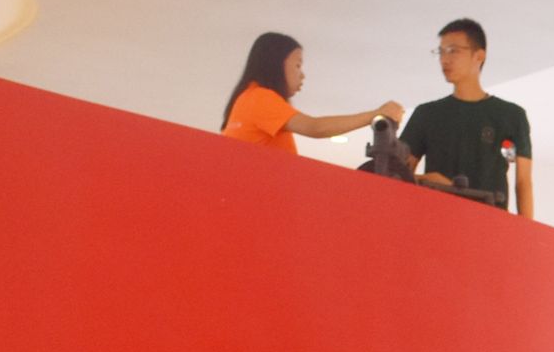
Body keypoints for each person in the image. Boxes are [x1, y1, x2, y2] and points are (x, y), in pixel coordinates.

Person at [401, 18, 536, 219]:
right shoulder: (426, 114)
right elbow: (397, 175)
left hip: (491, 224)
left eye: (453, 51)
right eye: (441, 52)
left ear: (479, 56)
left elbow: (523, 182)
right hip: (436, 220)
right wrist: (428, 181)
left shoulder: (511, 116)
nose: (444, 59)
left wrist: (527, 232)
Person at [217, 32, 401, 154]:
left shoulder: (247, 98)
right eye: (298, 65)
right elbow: (315, 127)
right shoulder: (260, 98)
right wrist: (376, 114)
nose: (302, 75)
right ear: (275, 64)